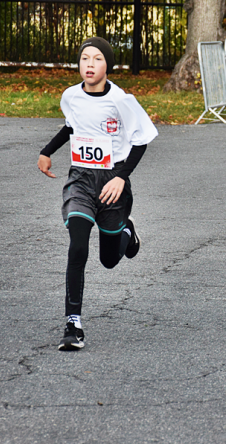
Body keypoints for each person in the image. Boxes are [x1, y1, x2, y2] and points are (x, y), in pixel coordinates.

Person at [37, 37, 158, 351]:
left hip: (111, 182)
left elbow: (142, 140)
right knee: (78, 246)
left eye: (97, 59)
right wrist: (47, 151)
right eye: (84, 59)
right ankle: (73, 325)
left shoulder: (121, 101)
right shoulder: (71, 96)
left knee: (107, 260)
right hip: (80, 180)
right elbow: (71, 127)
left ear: (108, 65)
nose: (89, 65)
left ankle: (127, 232)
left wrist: (121, 178)